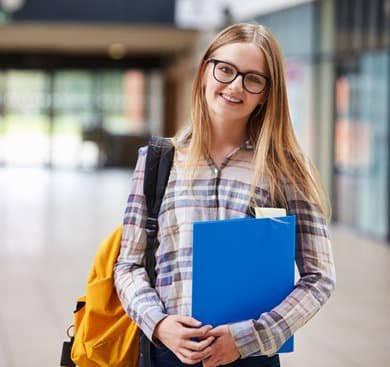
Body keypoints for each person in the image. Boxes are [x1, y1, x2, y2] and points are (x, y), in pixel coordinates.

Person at [114, 22, 336, 367]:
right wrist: (159, 324)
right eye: (226, 70)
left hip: (249, 358)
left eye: (253, 78)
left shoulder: (286, 167)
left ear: (266, 92)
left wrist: (250, 338)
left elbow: (319, 277)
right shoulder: (157, 160)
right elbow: (128, 264)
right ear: (205, 71)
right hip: (167, 355)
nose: (236, 86)